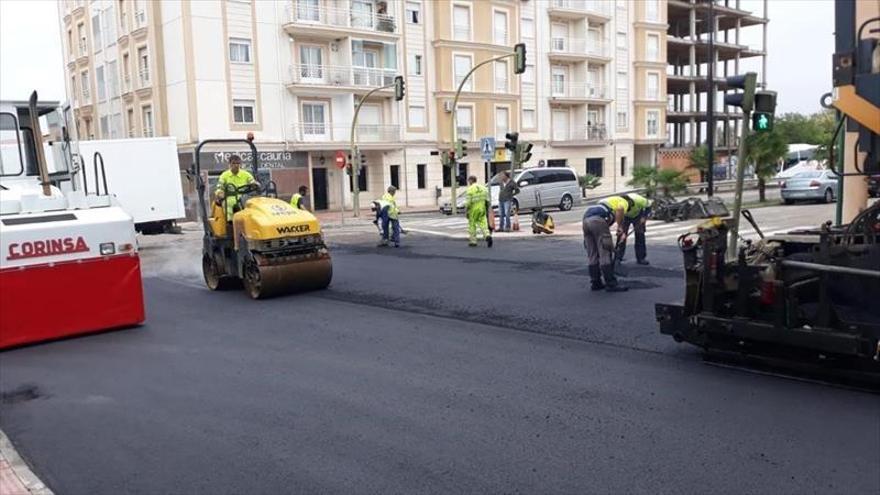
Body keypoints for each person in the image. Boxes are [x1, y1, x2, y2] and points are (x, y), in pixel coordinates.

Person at [582, 195, 629, 292]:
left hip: (586, 220)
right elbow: (620, 209)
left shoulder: (605, 202)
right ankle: (611, 283)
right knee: (605, 251)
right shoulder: (623, 201)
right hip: (597, 220)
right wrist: (620, 227)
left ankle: (595, 282)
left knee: (592, 254)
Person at [215, 154, 256, 220]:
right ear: (229, 164)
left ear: (240, 164)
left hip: (244, 198)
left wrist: (254, 184)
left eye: (238, 163)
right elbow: (219, 187)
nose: (236, 165)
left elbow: (252, 182)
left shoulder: (246, 174)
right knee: (230, 205)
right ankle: (230, 222)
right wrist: (220, 193)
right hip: (229, 198)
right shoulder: (224, 175)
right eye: (233, 163)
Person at [617, 193, 651, 265]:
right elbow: (618, 215)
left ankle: (641, 258)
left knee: (640, 236)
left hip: (638, 215)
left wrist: (644, 217)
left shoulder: (639, 200)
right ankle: (618, 257)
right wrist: (620, 228)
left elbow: (649, 206)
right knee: (621, 236)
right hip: (625, 217)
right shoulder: (620, 204)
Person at [465, 175, 492, 248]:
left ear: (471, 180)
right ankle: (487, 235)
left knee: (472, 225)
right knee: (483, 223)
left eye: (469, 181)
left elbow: (468, 202)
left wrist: (467, 211)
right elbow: (487, 200)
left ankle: (473, 241)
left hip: (473, 210)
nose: (468, 182)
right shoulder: (483, 188)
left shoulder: (470, 189)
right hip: (482, 208)